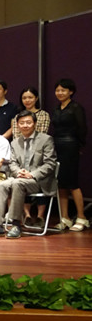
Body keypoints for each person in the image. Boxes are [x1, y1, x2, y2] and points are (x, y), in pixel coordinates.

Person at [0, 111, 57, 239]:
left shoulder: (46, 139)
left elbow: (50, 164)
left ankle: (16, 225)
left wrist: (31, 174)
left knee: (17, 183)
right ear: (17, 125)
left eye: (28, 122)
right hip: (19, 178)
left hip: (39, 181)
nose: (25, 125)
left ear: (34, 124)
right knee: (1, 185)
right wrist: (18, 172)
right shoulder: (15, 142)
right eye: (22, 123)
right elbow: (12, 163)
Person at [10, 87, 51, 226]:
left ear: (36, 98)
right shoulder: (17, 116)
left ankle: (40, 216)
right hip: (21, 152)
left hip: (38, 152)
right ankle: (26, 215)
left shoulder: (43, 115)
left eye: (30, 97)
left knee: (38, 176)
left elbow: (41, 134)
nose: (27, 100)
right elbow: (16, 135)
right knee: (19, 179)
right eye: (24, 98)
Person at [51, 78, 88, 231]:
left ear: (70, 92)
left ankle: (82, 217)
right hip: (57, 146)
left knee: (72, 183)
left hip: (71, 145)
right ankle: (65, 218)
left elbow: (82, 128)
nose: (60, 93)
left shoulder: (76, 107)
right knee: (60, 183)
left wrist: (79, 145)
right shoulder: (56, 108)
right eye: (57, 90)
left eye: (63, 90)